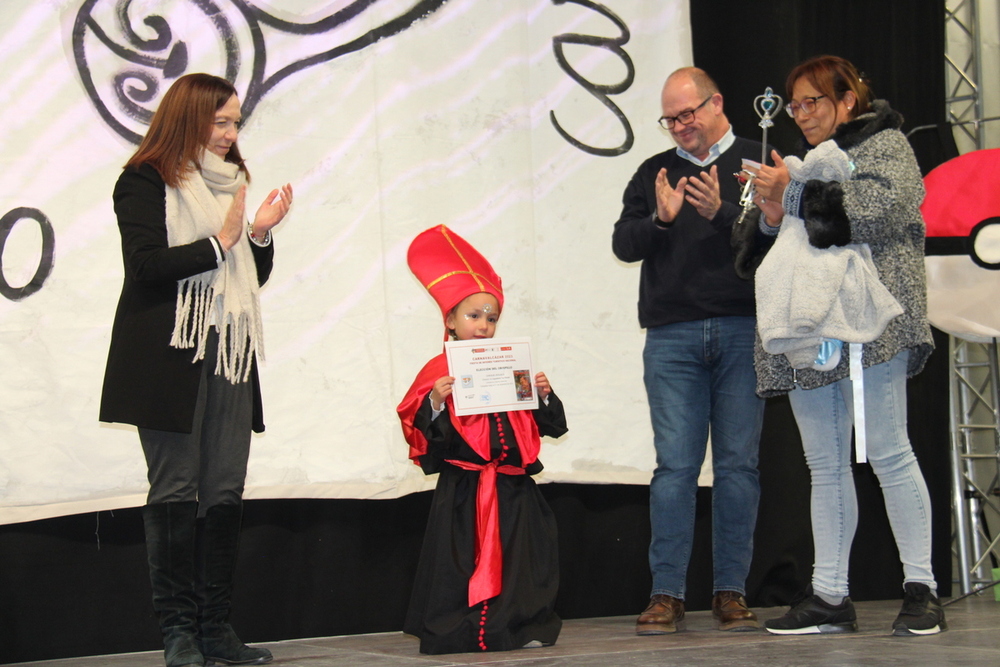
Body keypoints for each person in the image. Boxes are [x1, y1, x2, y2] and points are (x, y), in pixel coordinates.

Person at [743, 55, 945, 636]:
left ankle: (922, 588)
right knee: (824, 464)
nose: (802, 114)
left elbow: (879, 208)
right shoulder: (795, 166)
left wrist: (795, 195)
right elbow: (753, 248)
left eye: (814, 101)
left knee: (888, 449)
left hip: (875, 317)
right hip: (811, 330)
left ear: (848, 100)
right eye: (795, 104)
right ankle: (830, 594)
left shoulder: (886, 147)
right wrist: (770, 213)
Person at [99, 73, 293, 667]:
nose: (232, 133)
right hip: (168, 357)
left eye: (237, 123)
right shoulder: (143, 180)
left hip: (229, 354)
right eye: (222, 121)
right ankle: (179, 634)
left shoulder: (231, 184)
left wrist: (255, 237)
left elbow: (248, 280)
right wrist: (222, 241)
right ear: (189, 118)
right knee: (177, 489)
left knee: (224, 490)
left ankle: (216, 631)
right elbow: (147, 267)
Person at [612, 67, 771, 635]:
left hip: (741, 330)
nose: (680, 127)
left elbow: (783, 238)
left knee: (737, 467)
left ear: (717, 103)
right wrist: (660, 218)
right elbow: (623, 244)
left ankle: (730, 591)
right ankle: (667, 593)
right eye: (671, 118)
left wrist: (721, 214)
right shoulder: (654, 172)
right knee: (675, 468)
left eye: (689, 113)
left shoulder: (761, 160)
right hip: (673, 337)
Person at [397, 225, 567, 654]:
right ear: (451, 319)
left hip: (512, 487)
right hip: (465, 490)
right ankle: (460, 629)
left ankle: (518, 627)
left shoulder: (510, 363)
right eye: (474, 316)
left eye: (491, 318)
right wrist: (435, 402)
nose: (484, 325)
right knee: (461, 563)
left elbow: (543, 425)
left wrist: (543, 396)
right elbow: (417, 424)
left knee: (521, 564)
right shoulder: (440, 368)